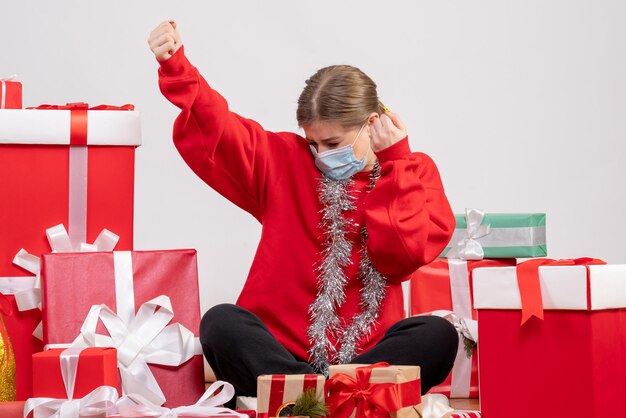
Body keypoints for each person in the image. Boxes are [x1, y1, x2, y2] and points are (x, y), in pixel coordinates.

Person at [149, 20, 459, 400]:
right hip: (281, 352)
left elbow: (400, 256)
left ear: (372, 125)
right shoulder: (284, 160)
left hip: (365, 356)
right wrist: (178, 68)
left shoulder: (412, 169)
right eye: (314, 143)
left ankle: (309, 397)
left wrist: (396, 163)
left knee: (438, 334)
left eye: (333, 142)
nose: (322, 155)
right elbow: (222, 130)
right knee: (220, 322)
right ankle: (328, 395)